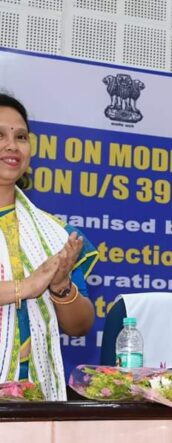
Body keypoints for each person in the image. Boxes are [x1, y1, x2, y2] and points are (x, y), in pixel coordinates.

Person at [0, 93, 97, 400]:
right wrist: (25, 287)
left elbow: (80, 326)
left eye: (21, 137)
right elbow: (28, 287)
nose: (12, 146)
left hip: (35, 400)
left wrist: (60, 286)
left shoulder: (53, 233)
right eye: (0, 135)